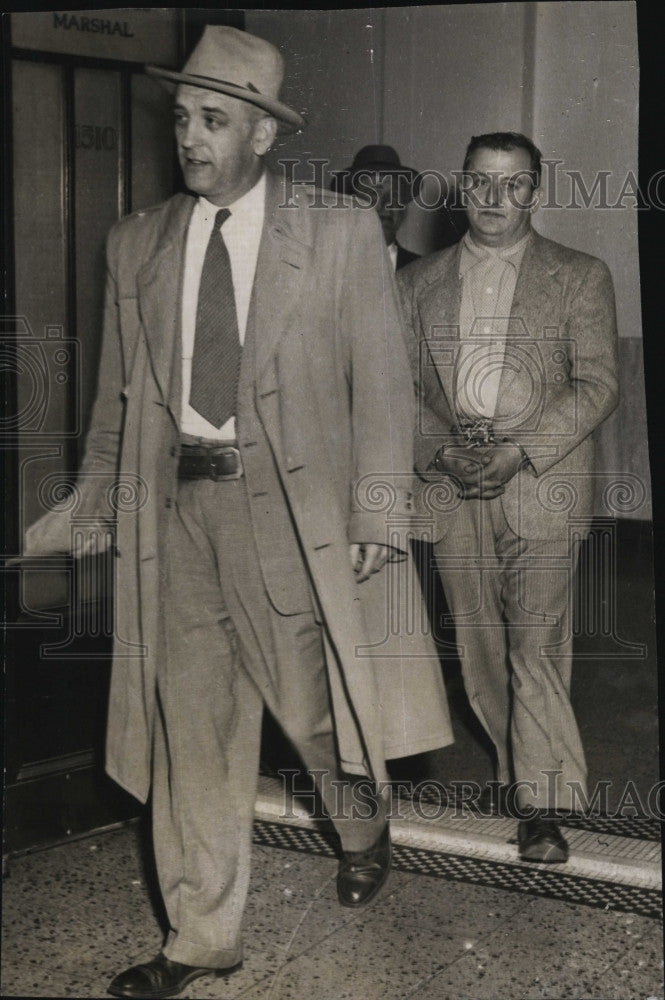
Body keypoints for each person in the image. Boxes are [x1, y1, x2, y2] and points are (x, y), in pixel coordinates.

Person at [24, 26, 452, 999]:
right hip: (177, 514)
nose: (191, 136)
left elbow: (381, 387)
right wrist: (92, 504)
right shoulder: (135, 244)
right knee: (193, 728)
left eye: (213, 120)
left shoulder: (337, 233)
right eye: (183, 118)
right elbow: (115, 404)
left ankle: (356, 823)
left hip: (285, 517)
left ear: (261, 133)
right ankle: (198, 936)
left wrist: (379, 511)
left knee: (309, 718)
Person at [398, 132, 619, 863]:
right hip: (451, 481)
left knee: (536, 641)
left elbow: (597, 384)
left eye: (513, 184)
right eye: (481, 182)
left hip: (539, 480)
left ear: (535, 190)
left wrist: (518, 450)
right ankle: (514, 770)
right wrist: (439, 451)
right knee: (479, 648)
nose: (495, 199)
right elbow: (395, 394)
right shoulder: (414, 282)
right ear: (460, 187)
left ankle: (542, 804)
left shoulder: (579, 275)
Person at [331, 145, 421, 269]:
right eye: (374, 195)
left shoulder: (422, 269)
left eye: (394, 197)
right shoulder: (330, 266)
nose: (386, 205)